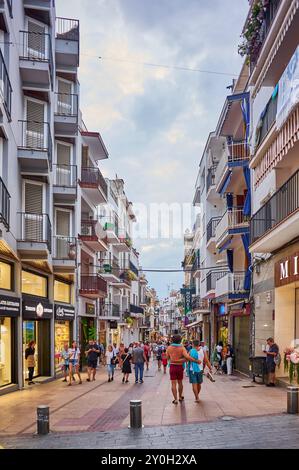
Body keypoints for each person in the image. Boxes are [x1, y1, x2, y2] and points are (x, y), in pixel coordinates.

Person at [166, 334, 202, 405]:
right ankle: (180, 396)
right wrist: (196, 361)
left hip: (172, 367)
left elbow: (167, 358)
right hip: (179, 367)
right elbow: (187, 357)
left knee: (173, 383)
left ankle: (175, 399)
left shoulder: (169, 348)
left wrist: (174, 360)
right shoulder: (182, 348)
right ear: (180, 341)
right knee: (180, 382)